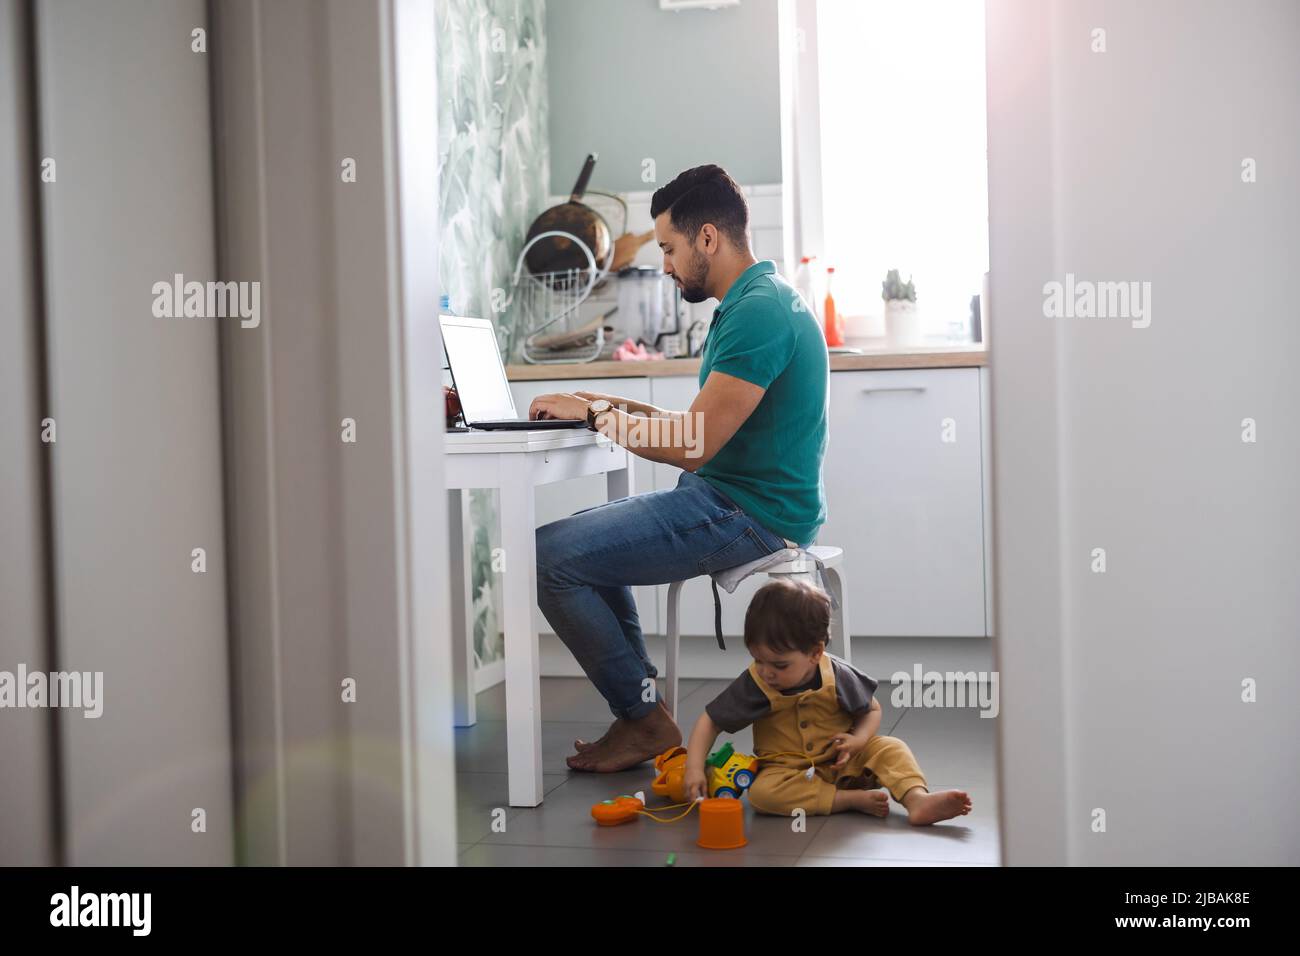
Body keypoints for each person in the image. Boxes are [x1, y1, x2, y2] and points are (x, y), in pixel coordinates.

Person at [528, 164, 829, 772]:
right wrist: (596, 405)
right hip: (730, 499)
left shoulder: (759, 312)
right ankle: (640, 714)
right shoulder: (750, 302)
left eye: (668, 247)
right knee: (581, 548)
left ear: (708, 239)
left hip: (745, 514)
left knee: (550, 557)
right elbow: (698, 422)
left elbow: (691, 445)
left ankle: (644, 723)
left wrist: (592, 419)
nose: (663, 264)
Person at [686, 578, 973, 825]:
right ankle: (845, 800)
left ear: (815, 652)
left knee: (890, 747)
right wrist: (695, 768)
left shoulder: (837, 675)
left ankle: (917, 799)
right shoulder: (756, 683)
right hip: (789, 774)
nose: (766, 671)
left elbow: (872, 709)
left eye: (779, 665)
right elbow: (710, 721)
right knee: (762, 794)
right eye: (757, 659)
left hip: (846, 764)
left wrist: (859, 741)